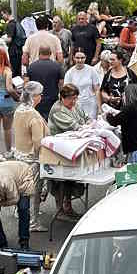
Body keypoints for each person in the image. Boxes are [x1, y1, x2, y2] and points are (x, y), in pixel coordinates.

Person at [11, 81, 48, 233]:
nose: (41, 97)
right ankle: (33, 221)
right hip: (32, 158)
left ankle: (18, 211)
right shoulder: (34, 116)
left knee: (21, 187)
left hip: (19, 155)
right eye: (40, 94)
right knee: (34, 190)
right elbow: (38, 142)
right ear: (34, 96)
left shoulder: (19, 110)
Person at [47, 85, 89, 218]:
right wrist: (86, 126)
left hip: (73, 148)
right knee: (61, 181)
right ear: (62, 97)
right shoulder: (57, 110)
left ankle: (67, 205)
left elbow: (86, 118)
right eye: (71, 98)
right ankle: (61, 209)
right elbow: (75, 126)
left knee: (73, 180)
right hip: (59, 151)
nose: (74, 101)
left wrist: (89, 124)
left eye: (75, 98)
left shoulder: (75, 106)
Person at [105, 84, 137, 166]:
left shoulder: (130, 108)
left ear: (127, 95)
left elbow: (114, 121)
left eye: (124, 95)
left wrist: (107, 114)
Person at [27, 44, 64, 119]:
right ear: (50, 53)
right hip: (52, 100)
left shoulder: (31, 66)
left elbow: (27, 84)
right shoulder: (57, 66)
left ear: (39, 53)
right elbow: (61, 84)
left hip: (36, 100)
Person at [64, 48, 102, 119]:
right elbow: (66, 92)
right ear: (73, 58)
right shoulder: (69, 73)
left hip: (91, 104)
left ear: (85, 58)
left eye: (82, 58)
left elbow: (97, 89)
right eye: (77, 58)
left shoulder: (92, 70)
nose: (80, 60)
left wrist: (99, 108)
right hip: (76, 105)